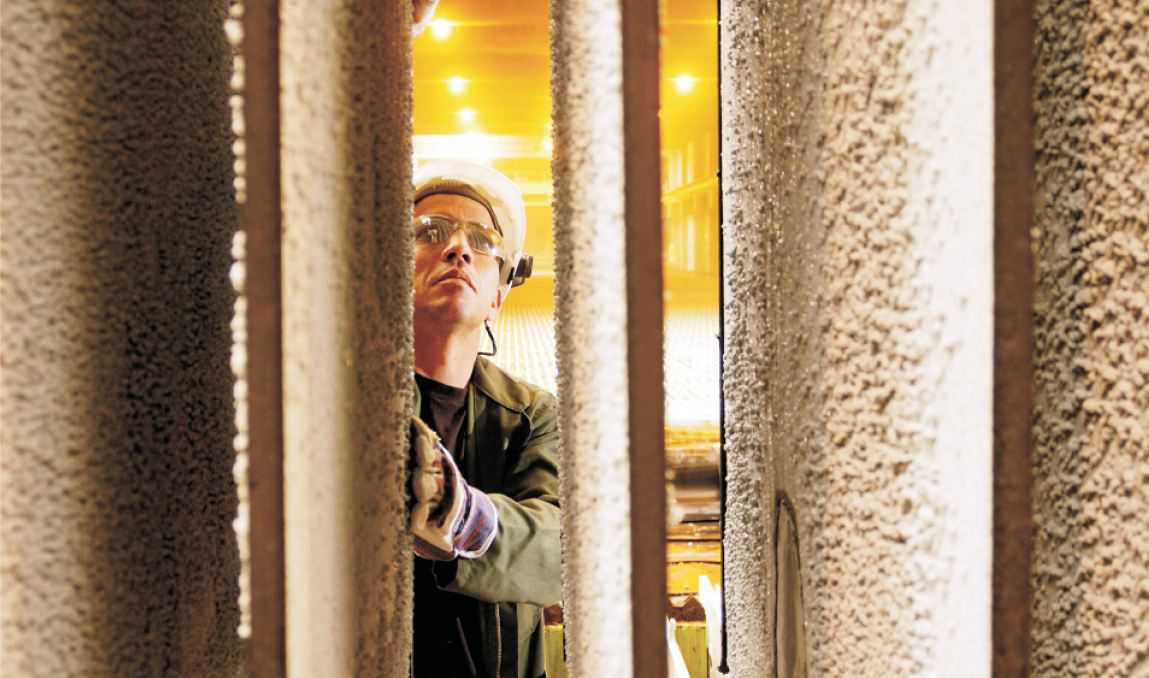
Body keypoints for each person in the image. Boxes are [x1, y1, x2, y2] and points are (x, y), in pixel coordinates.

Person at [407, 160, 560, 678]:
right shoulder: (346, 409)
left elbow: (567, 547)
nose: (459, 249)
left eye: (482, 241)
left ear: (497, 294)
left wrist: (463, 518)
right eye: (430, 233)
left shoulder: (530, 416)